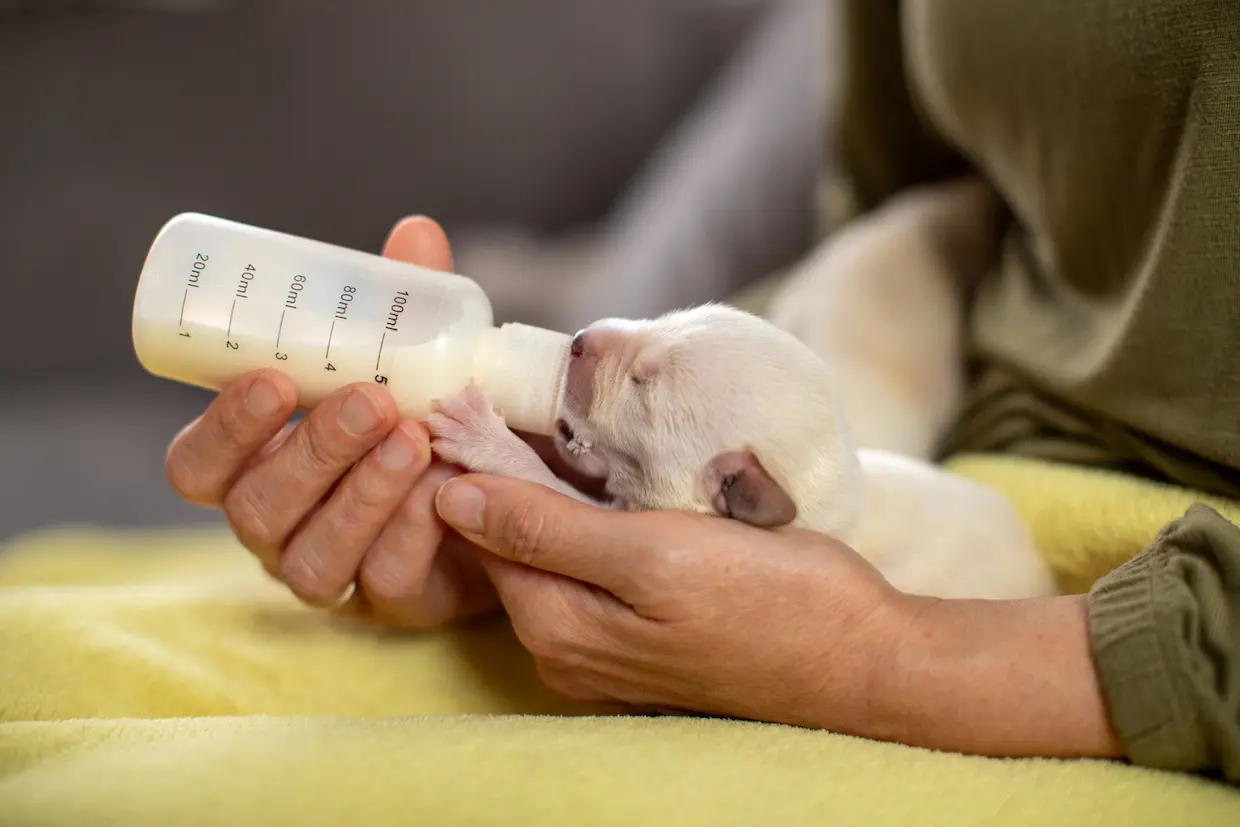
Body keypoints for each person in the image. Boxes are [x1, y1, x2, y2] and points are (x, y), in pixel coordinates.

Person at [164, 1, 1240, 781]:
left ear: (736, 494)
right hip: (947, 431)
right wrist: (512, 489)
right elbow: (851, 248)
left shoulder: (763, 491)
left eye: (640, 370)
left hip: (1100, 636)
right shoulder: (770, 438)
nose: (597, 342)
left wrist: (877, 659)